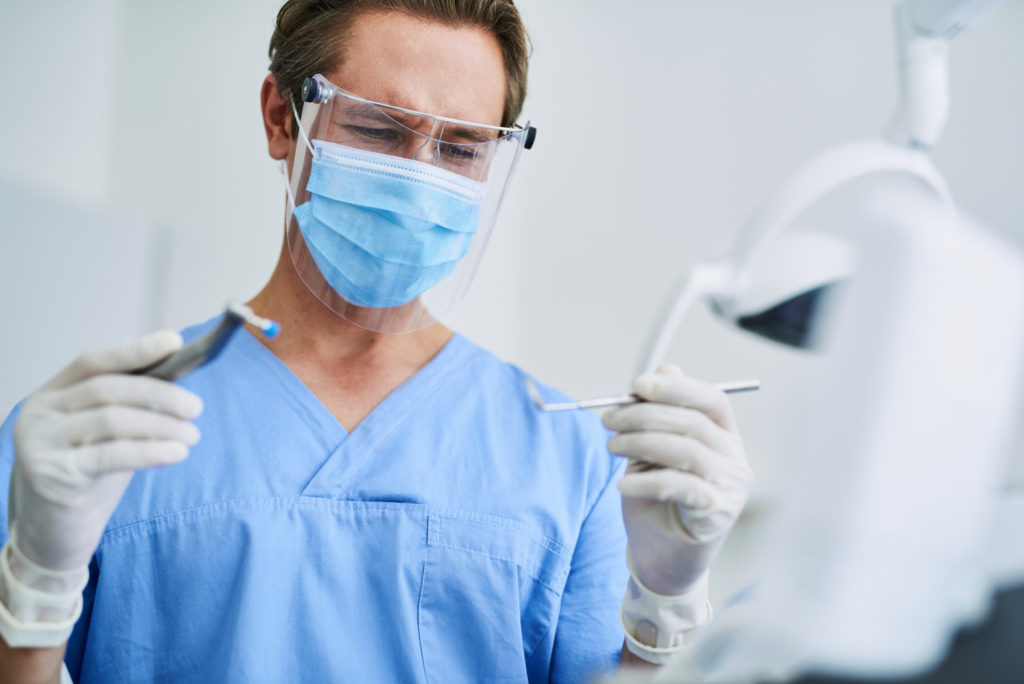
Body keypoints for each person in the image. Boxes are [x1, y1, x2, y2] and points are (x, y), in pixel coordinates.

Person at [0, 1, 753, 682]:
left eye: (461, 148)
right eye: (379, 128)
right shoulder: (88, 437)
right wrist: (33, 589)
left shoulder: (570, 460)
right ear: (280, 119)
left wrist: (662, 610)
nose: (417, 177)